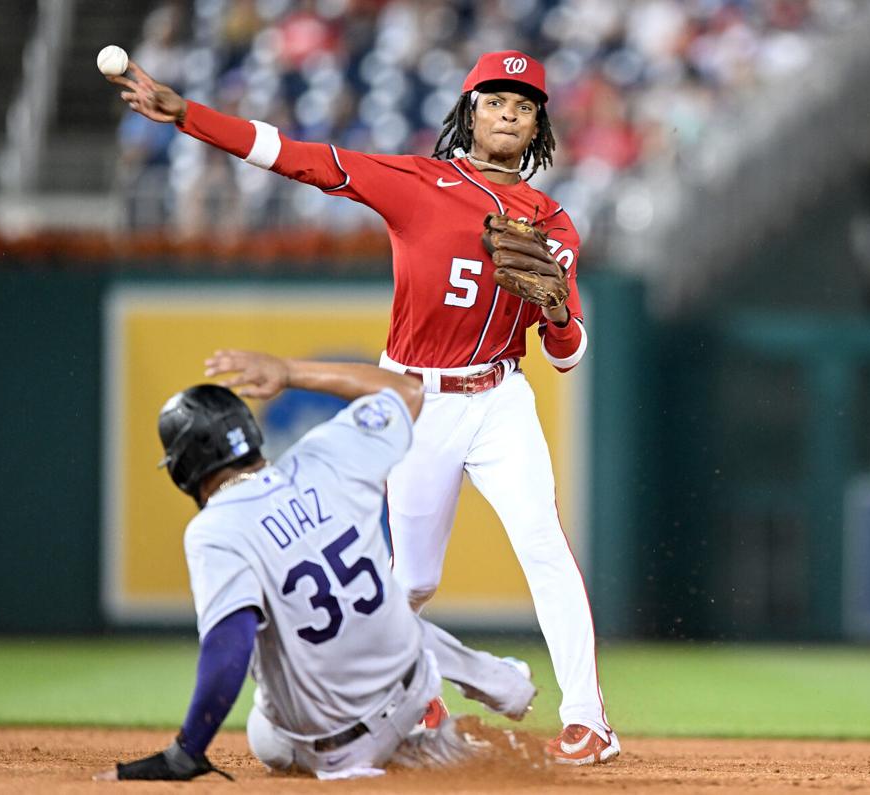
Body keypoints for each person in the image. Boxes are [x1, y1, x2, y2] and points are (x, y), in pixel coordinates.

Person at [106, 47, 619, 764]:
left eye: (525, 105)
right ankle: (413, 695)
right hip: (414, 398)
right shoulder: (416, 181)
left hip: (499, 396)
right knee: (408, 581)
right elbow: (296, 156)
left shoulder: (553, 223)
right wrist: (188, 115)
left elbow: (565, 353)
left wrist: (560, 311)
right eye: (496, 100)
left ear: (538, 127)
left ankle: (588, 719)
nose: (509, 113)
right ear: (469, 111)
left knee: (542, 543)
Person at [94, 353, 536, 781]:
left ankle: (402, 749)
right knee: (384, 609)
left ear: (183, 467)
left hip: (338, 750)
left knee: (265, 732)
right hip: (410, 687)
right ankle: (491, 688)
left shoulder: (215, 530)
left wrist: (186, 752)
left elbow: (230, 647)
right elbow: (406, 389)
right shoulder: (327, 455)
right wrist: (288, 372)